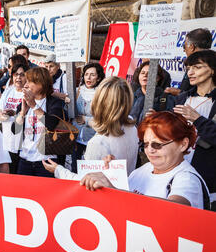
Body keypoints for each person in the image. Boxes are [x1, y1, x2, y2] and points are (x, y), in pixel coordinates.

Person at [80, 111, 209, 210]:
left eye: (158, 144)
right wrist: (111, 173)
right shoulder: (144, 169)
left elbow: (174, 210)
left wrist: (115, 191)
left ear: (183, 144)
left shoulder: (187, 179)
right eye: (146, 144)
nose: (150, 150)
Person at [43, 76, 139, 179]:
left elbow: (86, 182)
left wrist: (58, 170)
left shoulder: (98, 143)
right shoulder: (132, 127)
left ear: (99, 102)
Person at [173, 49, 216, 205]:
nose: (190, 72)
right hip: (179, 171)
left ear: (212, 70)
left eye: (197, 67)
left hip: (208, 177)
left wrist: (198, 119)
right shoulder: (182, 98)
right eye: (188, 68)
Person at [12, 67, 64, 177]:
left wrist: (34, 106)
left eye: (30, 82)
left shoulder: (55, 103)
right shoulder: (24, 103)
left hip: (46, 161)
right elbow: (14, 130)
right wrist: (22, 113)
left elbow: (51, 124)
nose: (25, 85)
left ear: (41, 84)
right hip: (25, 159)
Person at [71, 62, 106, 172]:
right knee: (74, 167)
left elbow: (104, 118)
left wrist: (86, 120)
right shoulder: (77, 90)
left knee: (90, 169)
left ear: (99, 77)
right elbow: (69, 113)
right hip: (76, 136)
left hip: (93, 137)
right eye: (86, 74)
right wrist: (68, 103)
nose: (89, 77)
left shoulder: (103, 94)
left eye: (92, 74)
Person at [0, 63, 30, 173]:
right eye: (15, 74)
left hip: (22, 142)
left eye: (22, 75)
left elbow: (26, 115)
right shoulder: (9, 91)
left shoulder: (29, 92)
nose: (18, 77)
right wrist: (4, 115)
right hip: (6, 139)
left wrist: (14, 114)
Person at [165, 28, 212, 96]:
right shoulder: (194, 63)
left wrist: (179, 93)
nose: (184, 50)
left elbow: (203, 94)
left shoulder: (208, 66)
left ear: (192, 47)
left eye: (184, 46)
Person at [130, 60, 176, 125]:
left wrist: (157, 118)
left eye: (150, 73)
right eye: (142, 73)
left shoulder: (167, 99)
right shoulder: (129, 98)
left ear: (158, 78)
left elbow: (171, 124)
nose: (145, 75)